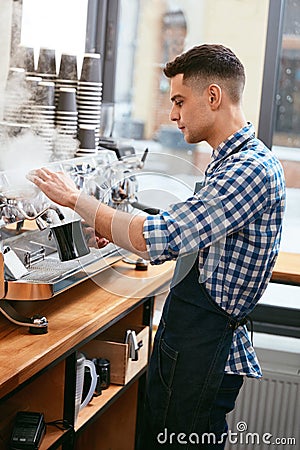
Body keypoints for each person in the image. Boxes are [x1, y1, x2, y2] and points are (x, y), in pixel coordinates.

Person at [28, 44, 286, 449]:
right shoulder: (229, 161)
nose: (173, 114)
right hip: (191, 338)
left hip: (204, 348)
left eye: (180, 101)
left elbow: (161, 237)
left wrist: (77, 199)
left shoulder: (249, 170)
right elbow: (191, 233)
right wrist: (112, 229)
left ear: (213, 96)